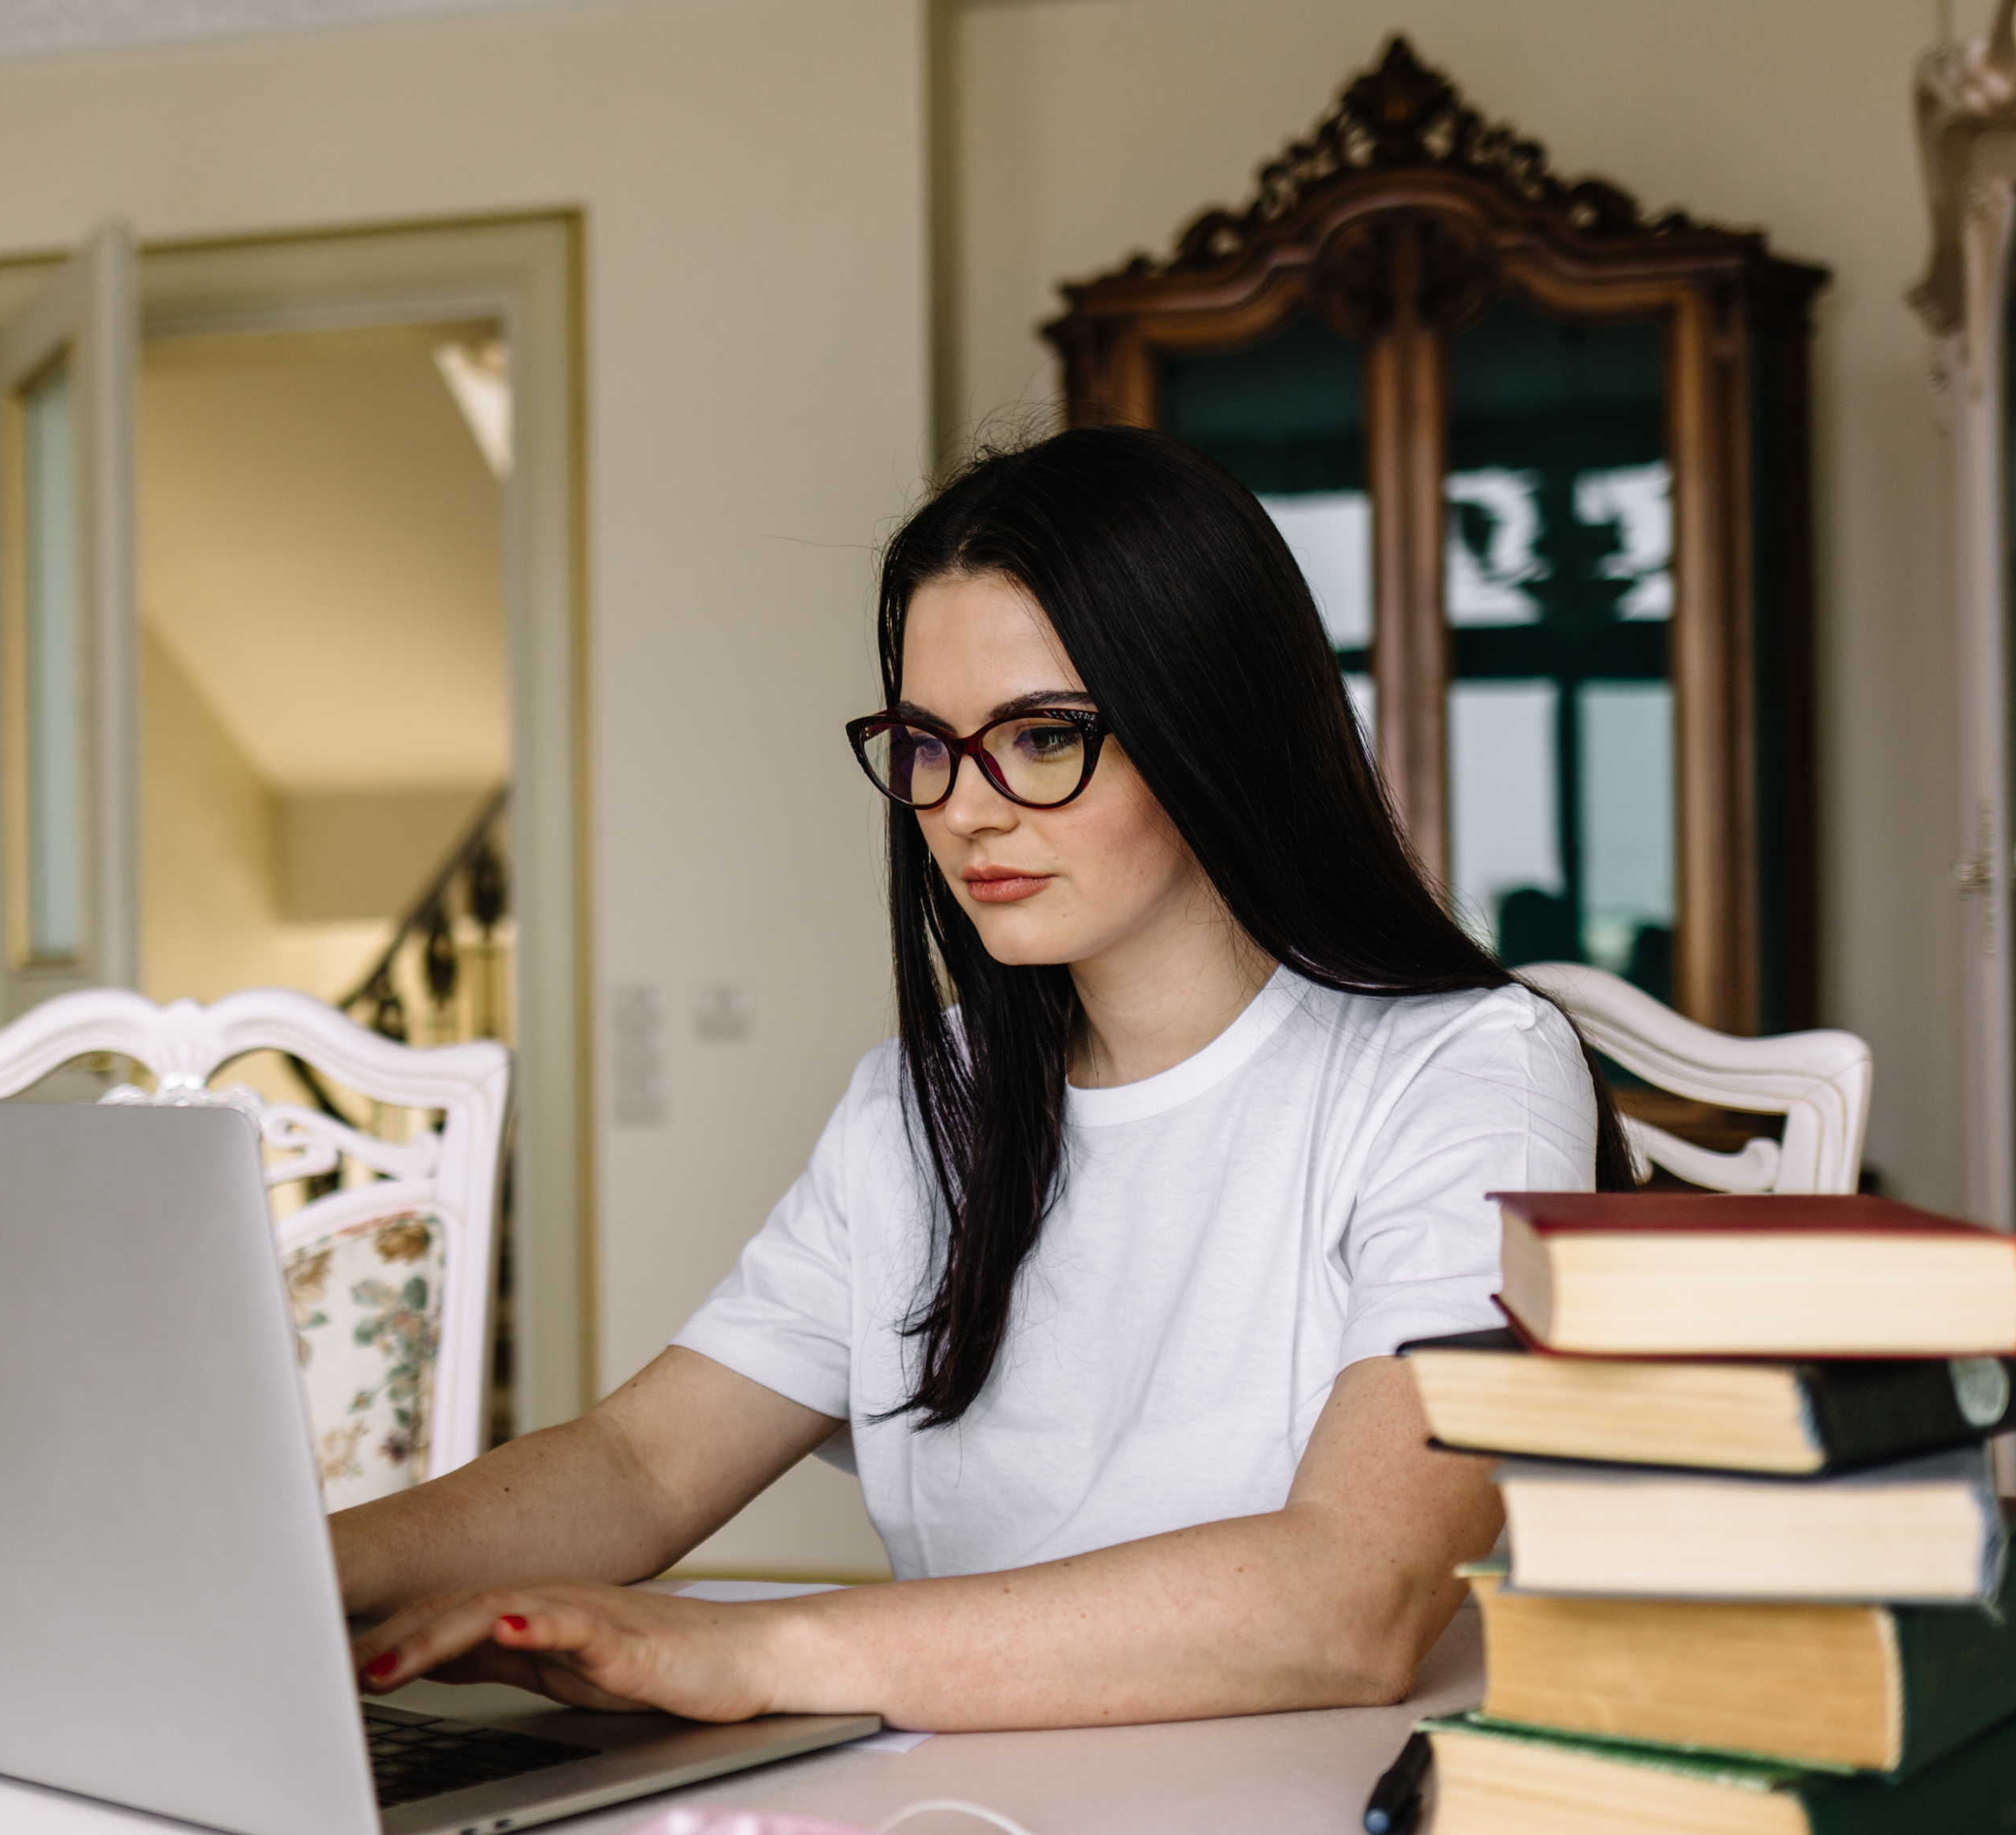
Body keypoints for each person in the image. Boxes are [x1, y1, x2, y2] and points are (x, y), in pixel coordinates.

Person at [337, 426, 1633, 1732]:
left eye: (1044, 736)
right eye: (927, 743)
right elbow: (642, 1462)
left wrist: (757, 1650)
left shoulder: (1462, 1071)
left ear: (1210, 728)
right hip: (968, 1827)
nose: (965, 809)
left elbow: (1354, 1596)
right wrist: (299, 1571)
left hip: (1308, 1832)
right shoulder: (921, 1099)